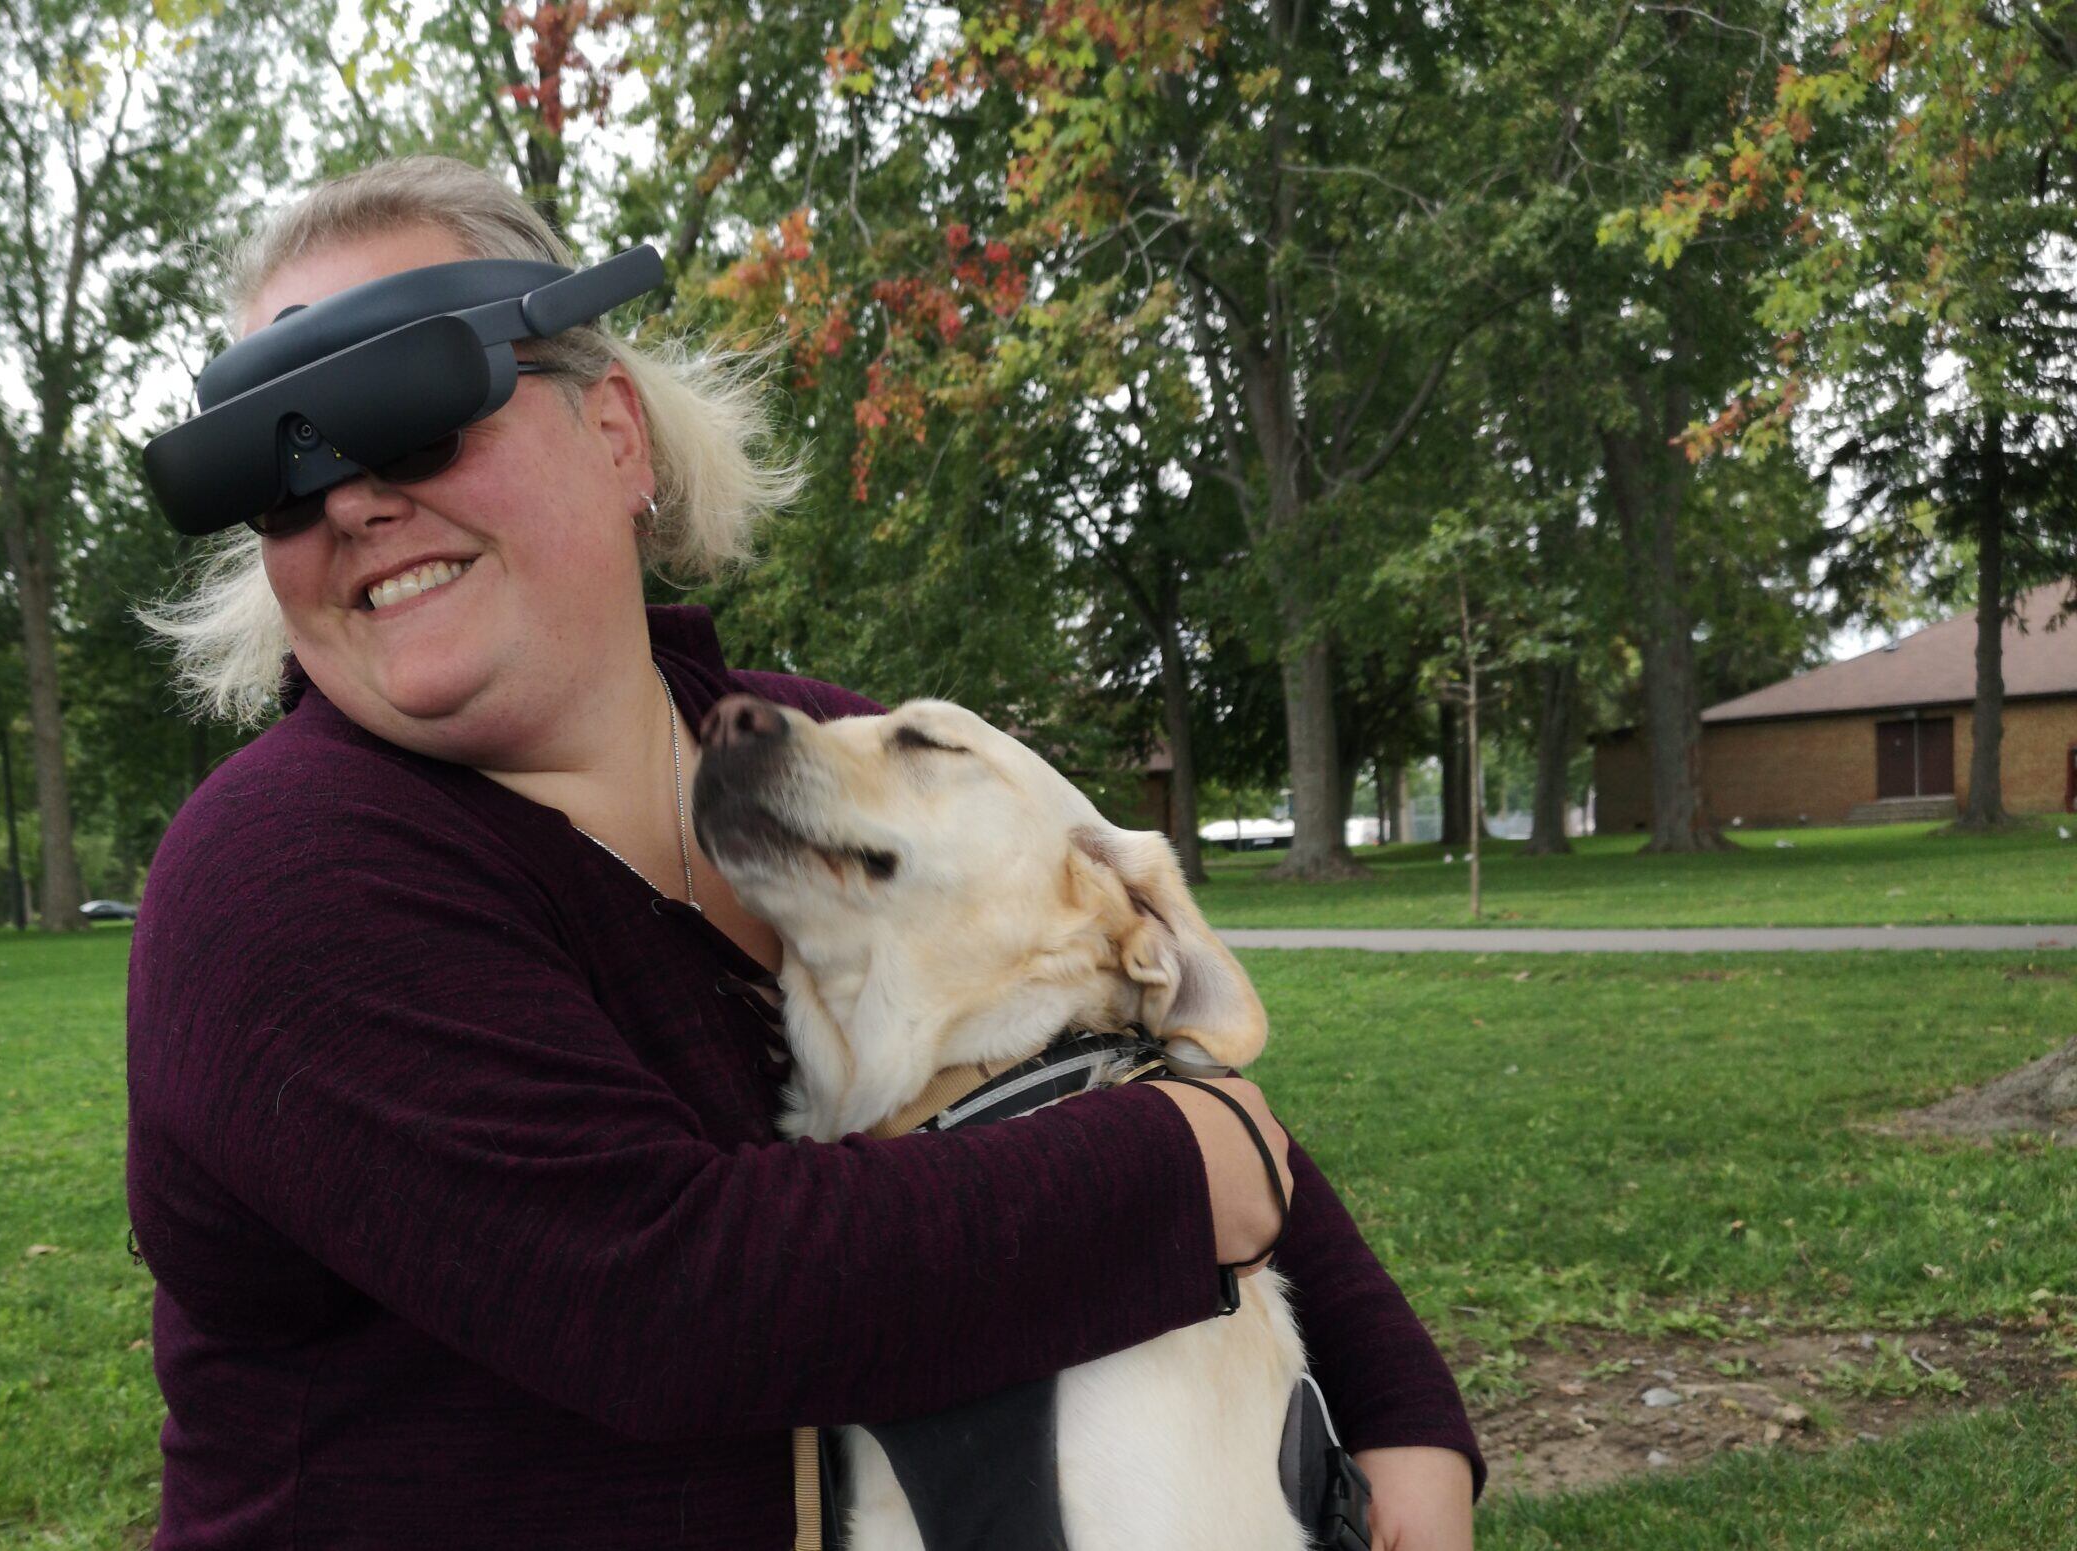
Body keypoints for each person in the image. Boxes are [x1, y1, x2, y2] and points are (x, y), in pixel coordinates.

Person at [129, 155, 1480, 1551]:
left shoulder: (829, 759)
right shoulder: (280, 875)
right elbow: (664, 1302)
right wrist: (1177, 1171)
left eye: (403, 410)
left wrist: (1404, 1423)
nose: (348, 498)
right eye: (274, 472)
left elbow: (1146, 1057)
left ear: (614, 434)